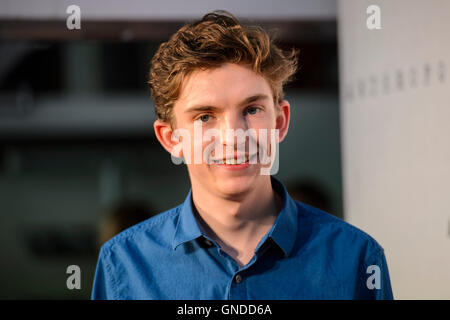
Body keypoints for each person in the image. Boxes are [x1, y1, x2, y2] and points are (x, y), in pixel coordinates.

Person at [91, 11, 393, 300]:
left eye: (251, 109)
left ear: (279, 122)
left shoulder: (357, 259)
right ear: (171, 138)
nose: (234, 136)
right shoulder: (123, 265)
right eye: (205, 116)